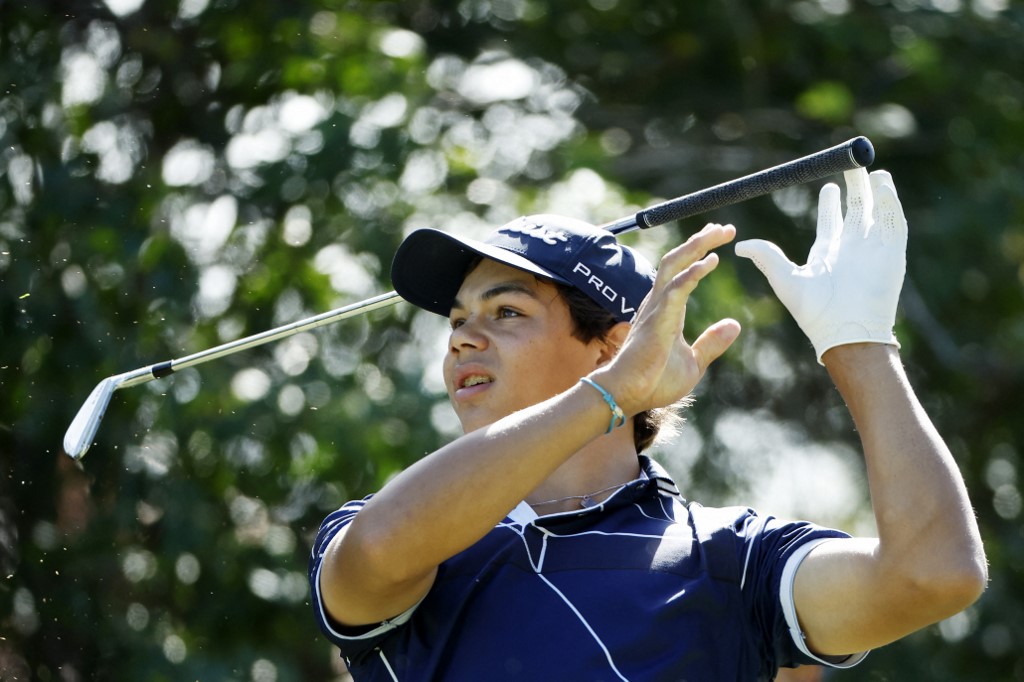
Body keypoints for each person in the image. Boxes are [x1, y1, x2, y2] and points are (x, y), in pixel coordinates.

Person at [308, 168, 987, 680]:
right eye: (458, 321)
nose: (462, 340)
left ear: (613, 343)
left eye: (506, 312)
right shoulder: (397, 528)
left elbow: (934, 575)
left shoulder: (735, 560)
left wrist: (859, 344)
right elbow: (376, 553)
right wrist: (607, 394)